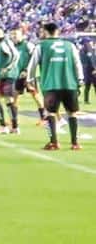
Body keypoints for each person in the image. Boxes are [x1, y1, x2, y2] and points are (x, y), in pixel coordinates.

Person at [29, 22, 85, 150]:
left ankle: (54, 142)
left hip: (51, 84)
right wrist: (80, 80)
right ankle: (75, 143)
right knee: (72, 113)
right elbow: (77, 64)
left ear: (45, 32)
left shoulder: (41, 46)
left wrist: (30, 79)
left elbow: (32, 65)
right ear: (57, 31)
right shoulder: (70, 46)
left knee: (50, 113)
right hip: (69, 84)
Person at [0, 25, 21, 135]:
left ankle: (10, 126)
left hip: (9, 75)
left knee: (8, 99)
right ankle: (8, 126)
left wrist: (8, 67)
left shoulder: (5, 42)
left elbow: (15, 55)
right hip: (2, 77)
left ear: (2, 32)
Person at [11, 28, 46, 123]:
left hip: (28, 75)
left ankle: (43, 118)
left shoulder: (27, 45)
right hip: (17, 75)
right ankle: (14, 120)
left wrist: (27, 70)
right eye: (12, 35)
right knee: (14, 97)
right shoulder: (12, 46)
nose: (14, 36)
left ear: (22, 35)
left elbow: (35, 58)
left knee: (35, 95)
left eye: (16, 34)